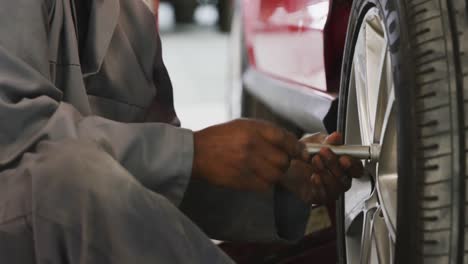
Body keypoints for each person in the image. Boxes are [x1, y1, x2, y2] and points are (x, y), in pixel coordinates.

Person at [0, 0, 363, 263]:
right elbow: (19, 134)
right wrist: (193, 152)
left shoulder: (133, 17)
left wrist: (284, 187)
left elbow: (146, 185)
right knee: (67, 183)